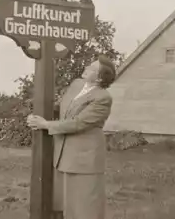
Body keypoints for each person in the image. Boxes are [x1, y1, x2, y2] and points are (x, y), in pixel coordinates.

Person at [27, 55, 116, 219]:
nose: (87, 67)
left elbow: (79, 123)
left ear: (99, 78)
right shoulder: (77, 85)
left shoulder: (103, 97)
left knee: (85, 207)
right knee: (65, 206)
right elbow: (63, 109)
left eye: (92, 68)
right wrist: (38, 113)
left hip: (85, 159)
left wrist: (46, 125)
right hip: (65, 155)